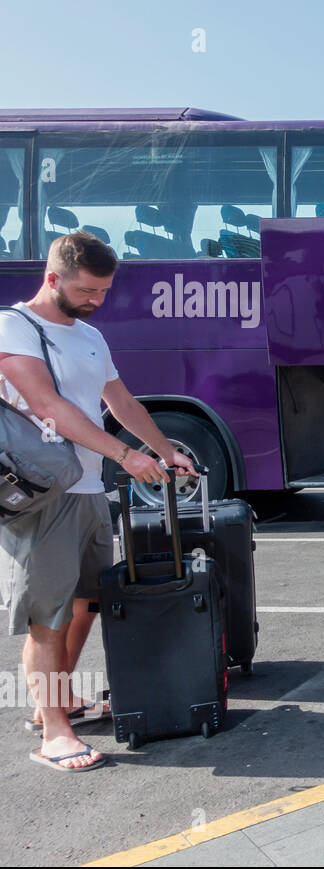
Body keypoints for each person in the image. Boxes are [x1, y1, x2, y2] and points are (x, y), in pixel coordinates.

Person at [0, 232, 198, 772]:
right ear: (52, 278)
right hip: (44, 494)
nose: (97, 300)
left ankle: (55, 705)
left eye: (105, 291)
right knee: (49, 615)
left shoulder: (88, 335)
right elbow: (48, 404)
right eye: (87, 290)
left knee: (87, 602)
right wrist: (125, 456)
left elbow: (122, 401)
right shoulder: (13, 327)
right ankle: (54, 734)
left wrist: (165, 450)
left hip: (89, 491)